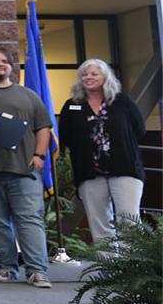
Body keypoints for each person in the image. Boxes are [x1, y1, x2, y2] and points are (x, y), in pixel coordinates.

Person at [0, 47, 54, 288]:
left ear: (12, 67)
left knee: (29, 220)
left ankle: (37, 270)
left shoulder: (29, 95)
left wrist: (39, 155)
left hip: (24, 169)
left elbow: (43, 127)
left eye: (5, 61)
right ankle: (7, 267)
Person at [57, 58, 146, 245]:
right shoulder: (72, 105)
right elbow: (65, 135)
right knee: (100, 224)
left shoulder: (122, 102)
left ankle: (134, 269)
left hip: (125, 169)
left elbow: (139, 130)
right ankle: (110, 268)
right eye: (85, 74)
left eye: (94, 74)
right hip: (89, 173)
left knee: (129, 221)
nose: (88, 77)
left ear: (106, 77)